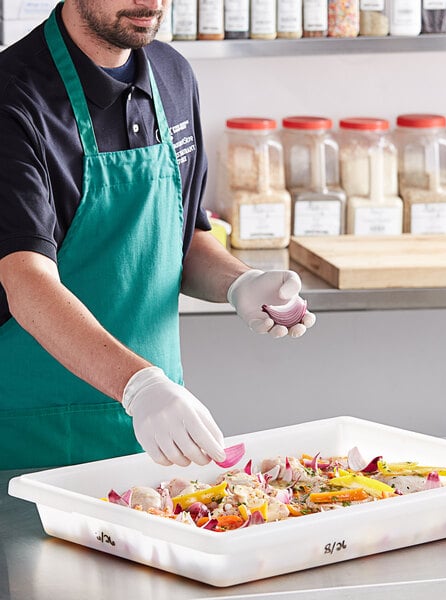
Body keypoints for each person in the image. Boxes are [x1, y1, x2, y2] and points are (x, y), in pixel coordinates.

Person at [0, 0, 315, 471]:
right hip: (38, 437)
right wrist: (140, 385)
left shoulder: (172, 74)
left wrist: (239, 282)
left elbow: (183, 235)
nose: (150, 3)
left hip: (158, 435)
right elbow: (24, 280)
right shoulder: (14, 93)